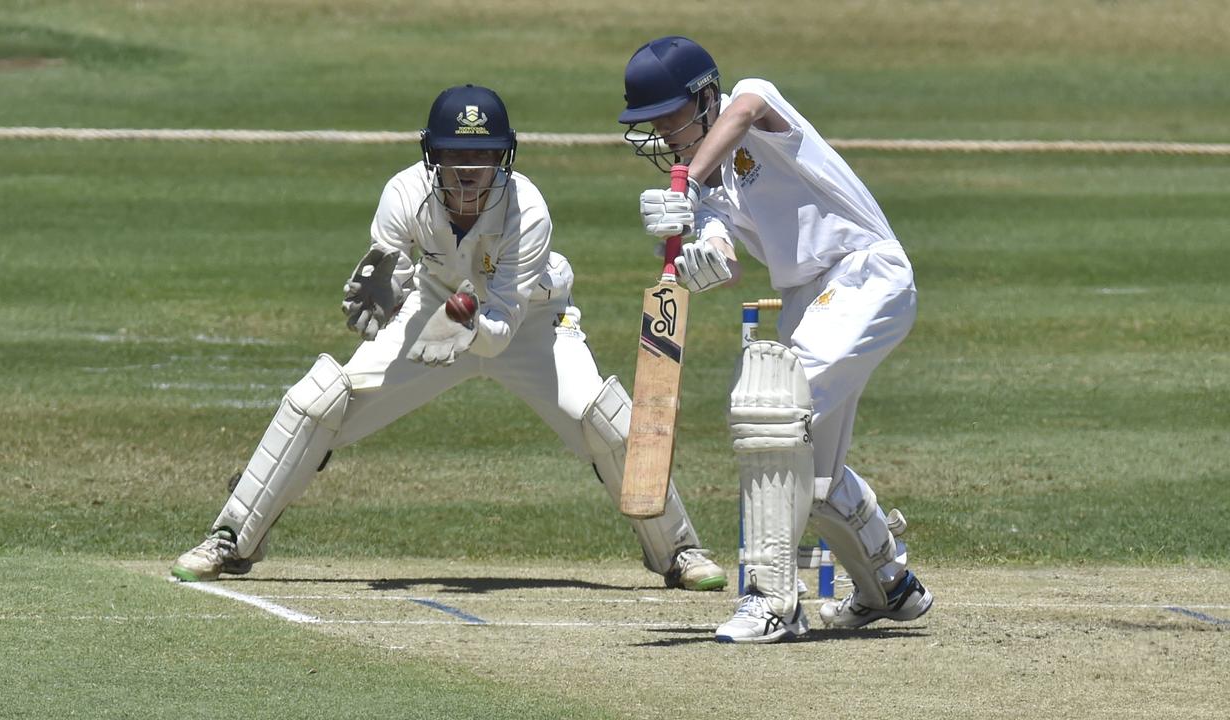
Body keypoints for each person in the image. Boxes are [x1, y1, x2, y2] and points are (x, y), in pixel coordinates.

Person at [171, 84, 727, 592]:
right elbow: (389, 266)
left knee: (604, 418)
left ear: (502, 157)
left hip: (533, 323)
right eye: (456, 158)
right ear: (431, 156)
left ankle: (678, 550)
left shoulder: (527, 210)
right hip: (431, 309)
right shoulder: (403, 192)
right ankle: (232, 538)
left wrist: (468, 323)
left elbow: (501, 329)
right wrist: (386, 288)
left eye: (483, 157)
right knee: (319, 400)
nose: (469, 172)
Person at [618, 37, 933, 642]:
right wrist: (692, 260)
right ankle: (889, 586)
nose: (661, 133)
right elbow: (724, 259)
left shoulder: (752, 103)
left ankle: (772, 602)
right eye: (650, 124)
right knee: (808, 479)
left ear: (705, 97)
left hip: (864, 273)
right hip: (808, 301)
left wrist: (684, 184)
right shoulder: (706, 192)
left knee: (769, 410)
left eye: (668, 117)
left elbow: (747, 110)